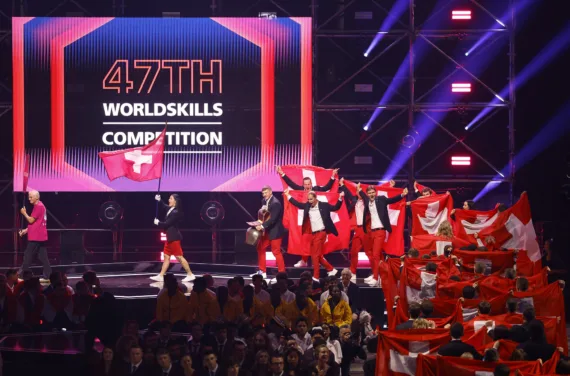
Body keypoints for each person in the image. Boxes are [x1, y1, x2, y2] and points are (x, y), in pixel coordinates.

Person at [276, 165, 338, 269]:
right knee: (306, 241)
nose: (307, 186)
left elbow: (327, 187)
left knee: (318, 241)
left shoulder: (316, 189)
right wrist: (282, 173)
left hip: (318, 220)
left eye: (309, 184)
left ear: (311, 184)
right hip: (305, 220)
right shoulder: (300, 189)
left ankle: (318, 259)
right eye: (305, 184)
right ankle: (304, 260)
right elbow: (291, 183)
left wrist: (332, 176)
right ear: (303, 184)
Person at [284, 189, 344, 281]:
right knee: (316, 255)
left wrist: (340, 198)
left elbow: (335, 207)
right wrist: (288, 196)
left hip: (321, 233)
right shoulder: (308, 205)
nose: (309, 201)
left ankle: (316, 276)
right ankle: (331, 269)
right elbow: (298, 204)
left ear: (316, 198)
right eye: (308, 199)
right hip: (313, 234)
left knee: (315, 256)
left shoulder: (323, 205)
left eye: (311, 199)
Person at [357, 183, 408, 287]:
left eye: (373, 192)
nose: (371, 194)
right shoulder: (367, 202)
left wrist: (402, 195)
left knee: (376, 255)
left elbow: (392, 200)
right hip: (372, 232)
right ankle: (379, 275)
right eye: (369, 193)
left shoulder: (381, 199)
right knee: (375, 255)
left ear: (375, 193)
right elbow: (363, 195)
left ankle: (376, 278)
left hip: (380, 231)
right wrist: (359, 189)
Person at [151, 194, 195, 282]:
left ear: (175, 201)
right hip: (169, 237)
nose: (169, 200)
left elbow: (167, 224)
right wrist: (159, 200)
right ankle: (161, 275)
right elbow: (164, 206)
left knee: (179, 257)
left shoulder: (176, 212)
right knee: (166, 257)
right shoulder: (171, 209)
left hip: (174, 238)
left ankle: (190, 274)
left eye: (171, 198)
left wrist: (158, 223)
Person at [251, 186, 286, 279]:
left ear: (270, 192)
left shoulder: (276, 203)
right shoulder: (264, 201)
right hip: (266, 230)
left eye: (266, 193)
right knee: (260, 248)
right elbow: (263, 214)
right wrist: (258, 222)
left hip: (275, 231)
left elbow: (273, 219)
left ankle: (282, 274)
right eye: (263, 193)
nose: (264, 195)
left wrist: (262, 226)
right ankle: (262, 272)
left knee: (276, 252)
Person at [18, 190, 51, 281]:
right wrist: (26, 230)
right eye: (29, 197)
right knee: (42, 256)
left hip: (36, 237)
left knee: (28, 255)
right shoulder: (40, 205)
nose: (29, 199)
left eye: (31, 197)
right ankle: (48, 275)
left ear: (36, 197)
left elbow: (31, 220)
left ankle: (21, 275)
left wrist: (24, 213)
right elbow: (37, 223)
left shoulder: (38, 207)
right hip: (39, 235)